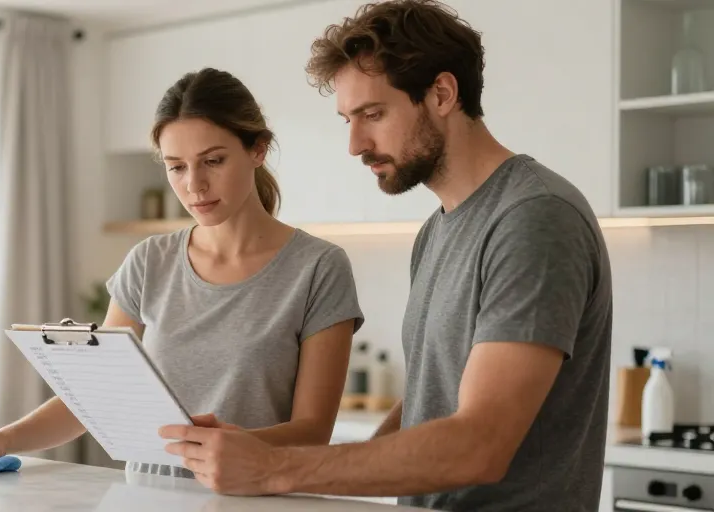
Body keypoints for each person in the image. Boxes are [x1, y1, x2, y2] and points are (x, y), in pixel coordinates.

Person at [159, 1, 613, 510]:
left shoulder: (534, 218)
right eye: (347, 119)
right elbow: (431, 395)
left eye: (373, 114)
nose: (355, 144)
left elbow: (479, 445)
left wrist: (273, 468)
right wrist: (337, 469)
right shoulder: (437, 230)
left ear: (442, 93)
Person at [0, 67, 366, 479]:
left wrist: (233, 446)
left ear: (257, 149)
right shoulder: (149, 261)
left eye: (213, 161)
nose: (194, 185)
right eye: (176, 167)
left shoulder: (318, 268)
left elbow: (313, 431)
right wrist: (2, 439)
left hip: (258, 502)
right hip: (147, 498)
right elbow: (98, 397)